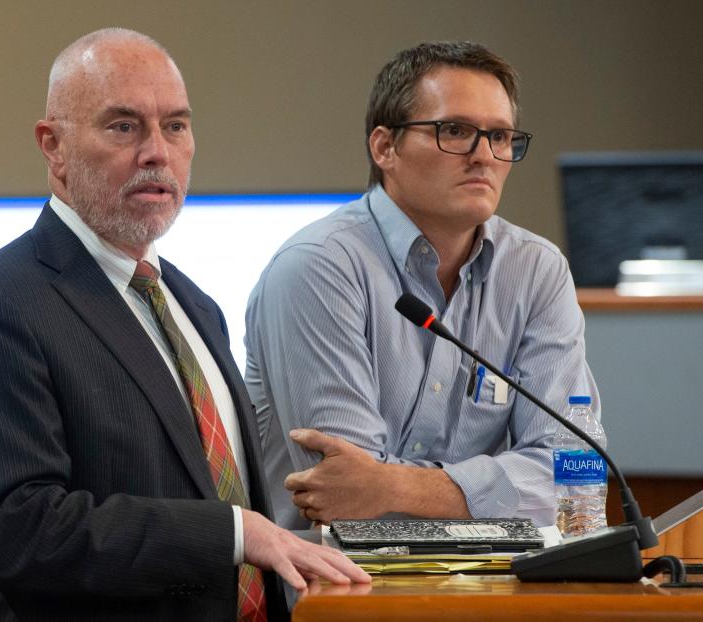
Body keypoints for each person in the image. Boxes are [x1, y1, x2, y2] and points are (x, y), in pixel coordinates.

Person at [0, 28, 369, 622]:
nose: (158, 151)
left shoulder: (194, 306)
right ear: (53, 146)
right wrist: (231, 532)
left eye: (176, 126)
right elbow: (19, 529)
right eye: (123, 125)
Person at [245, 41, 599, 531]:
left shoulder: (537, 270)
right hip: (337, 588)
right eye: (454, 131)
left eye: (499, 136)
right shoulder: (318, 267)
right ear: (384, 147)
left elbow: (571, 476)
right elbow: (345, 500)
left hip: (490, 583)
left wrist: (391, 486)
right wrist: (490, 488)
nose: (484, 156)